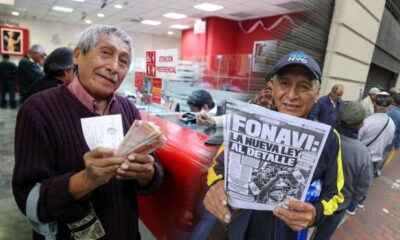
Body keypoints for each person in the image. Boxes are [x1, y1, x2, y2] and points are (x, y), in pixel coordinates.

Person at [12, 24, 163, 240]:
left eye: (123, 61)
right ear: (76, 55)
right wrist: (85, 180)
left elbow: (153, 169)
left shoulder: (128, 109)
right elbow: (27, 197)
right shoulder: (38, 110)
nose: (114, 67)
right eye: (105, 53)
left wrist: (148, 173)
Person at [204, 51, 344, 239]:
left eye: (304, 87)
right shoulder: (247, 122)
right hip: (239, 227)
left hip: (286, 233)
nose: (292, 95)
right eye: (285, 83)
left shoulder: (329, 138)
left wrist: (316, 213)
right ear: (273, 86)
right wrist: (216, 184)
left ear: (317, 94)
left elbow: (335, 194)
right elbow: (218, 165)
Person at [312, 101, 372, 239]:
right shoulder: (363, 154)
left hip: (314, 201)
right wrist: (354, 200)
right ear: (361, 125)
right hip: (339, 205)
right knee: (323, 236)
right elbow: (363, 186)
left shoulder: (323, 137)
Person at [359, 92, 395, 177]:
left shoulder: (366, 121)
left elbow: (357, 140)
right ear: (389, 107)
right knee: (364, 186)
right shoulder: (392, 124)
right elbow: (389, 143)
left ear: (374, 105)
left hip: (361, 159)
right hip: (375, 161)